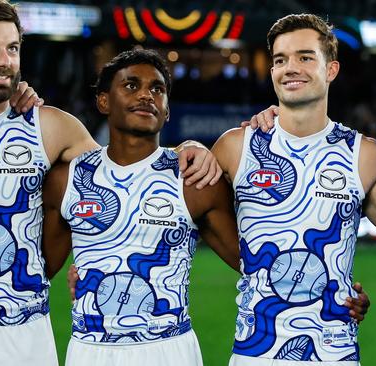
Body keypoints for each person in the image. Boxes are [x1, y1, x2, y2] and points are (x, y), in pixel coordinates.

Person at [0, 1, 220, 365]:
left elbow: (126, 169)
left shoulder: (49, 127)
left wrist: (188, 147)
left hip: (23, 330)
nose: (4, 60)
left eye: (13, 48)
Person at [41, 49, 241, 366]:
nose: (146, 95)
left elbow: (256, 265)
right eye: (132, 85)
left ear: (167, 110)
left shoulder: (193, 181)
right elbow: (36, 271)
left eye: (157, 89)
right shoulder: (67, 180)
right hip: (90, 349)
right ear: (103, 101)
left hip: (168, 349)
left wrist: (341, 295)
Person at [212, 13, 376, 365]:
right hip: (254, 354)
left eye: (305, 57)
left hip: (333, 352)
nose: (291, 68)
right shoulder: (236, 147)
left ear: (331, 70)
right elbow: (170, 206)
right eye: (281, 60)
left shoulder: (365, 156)